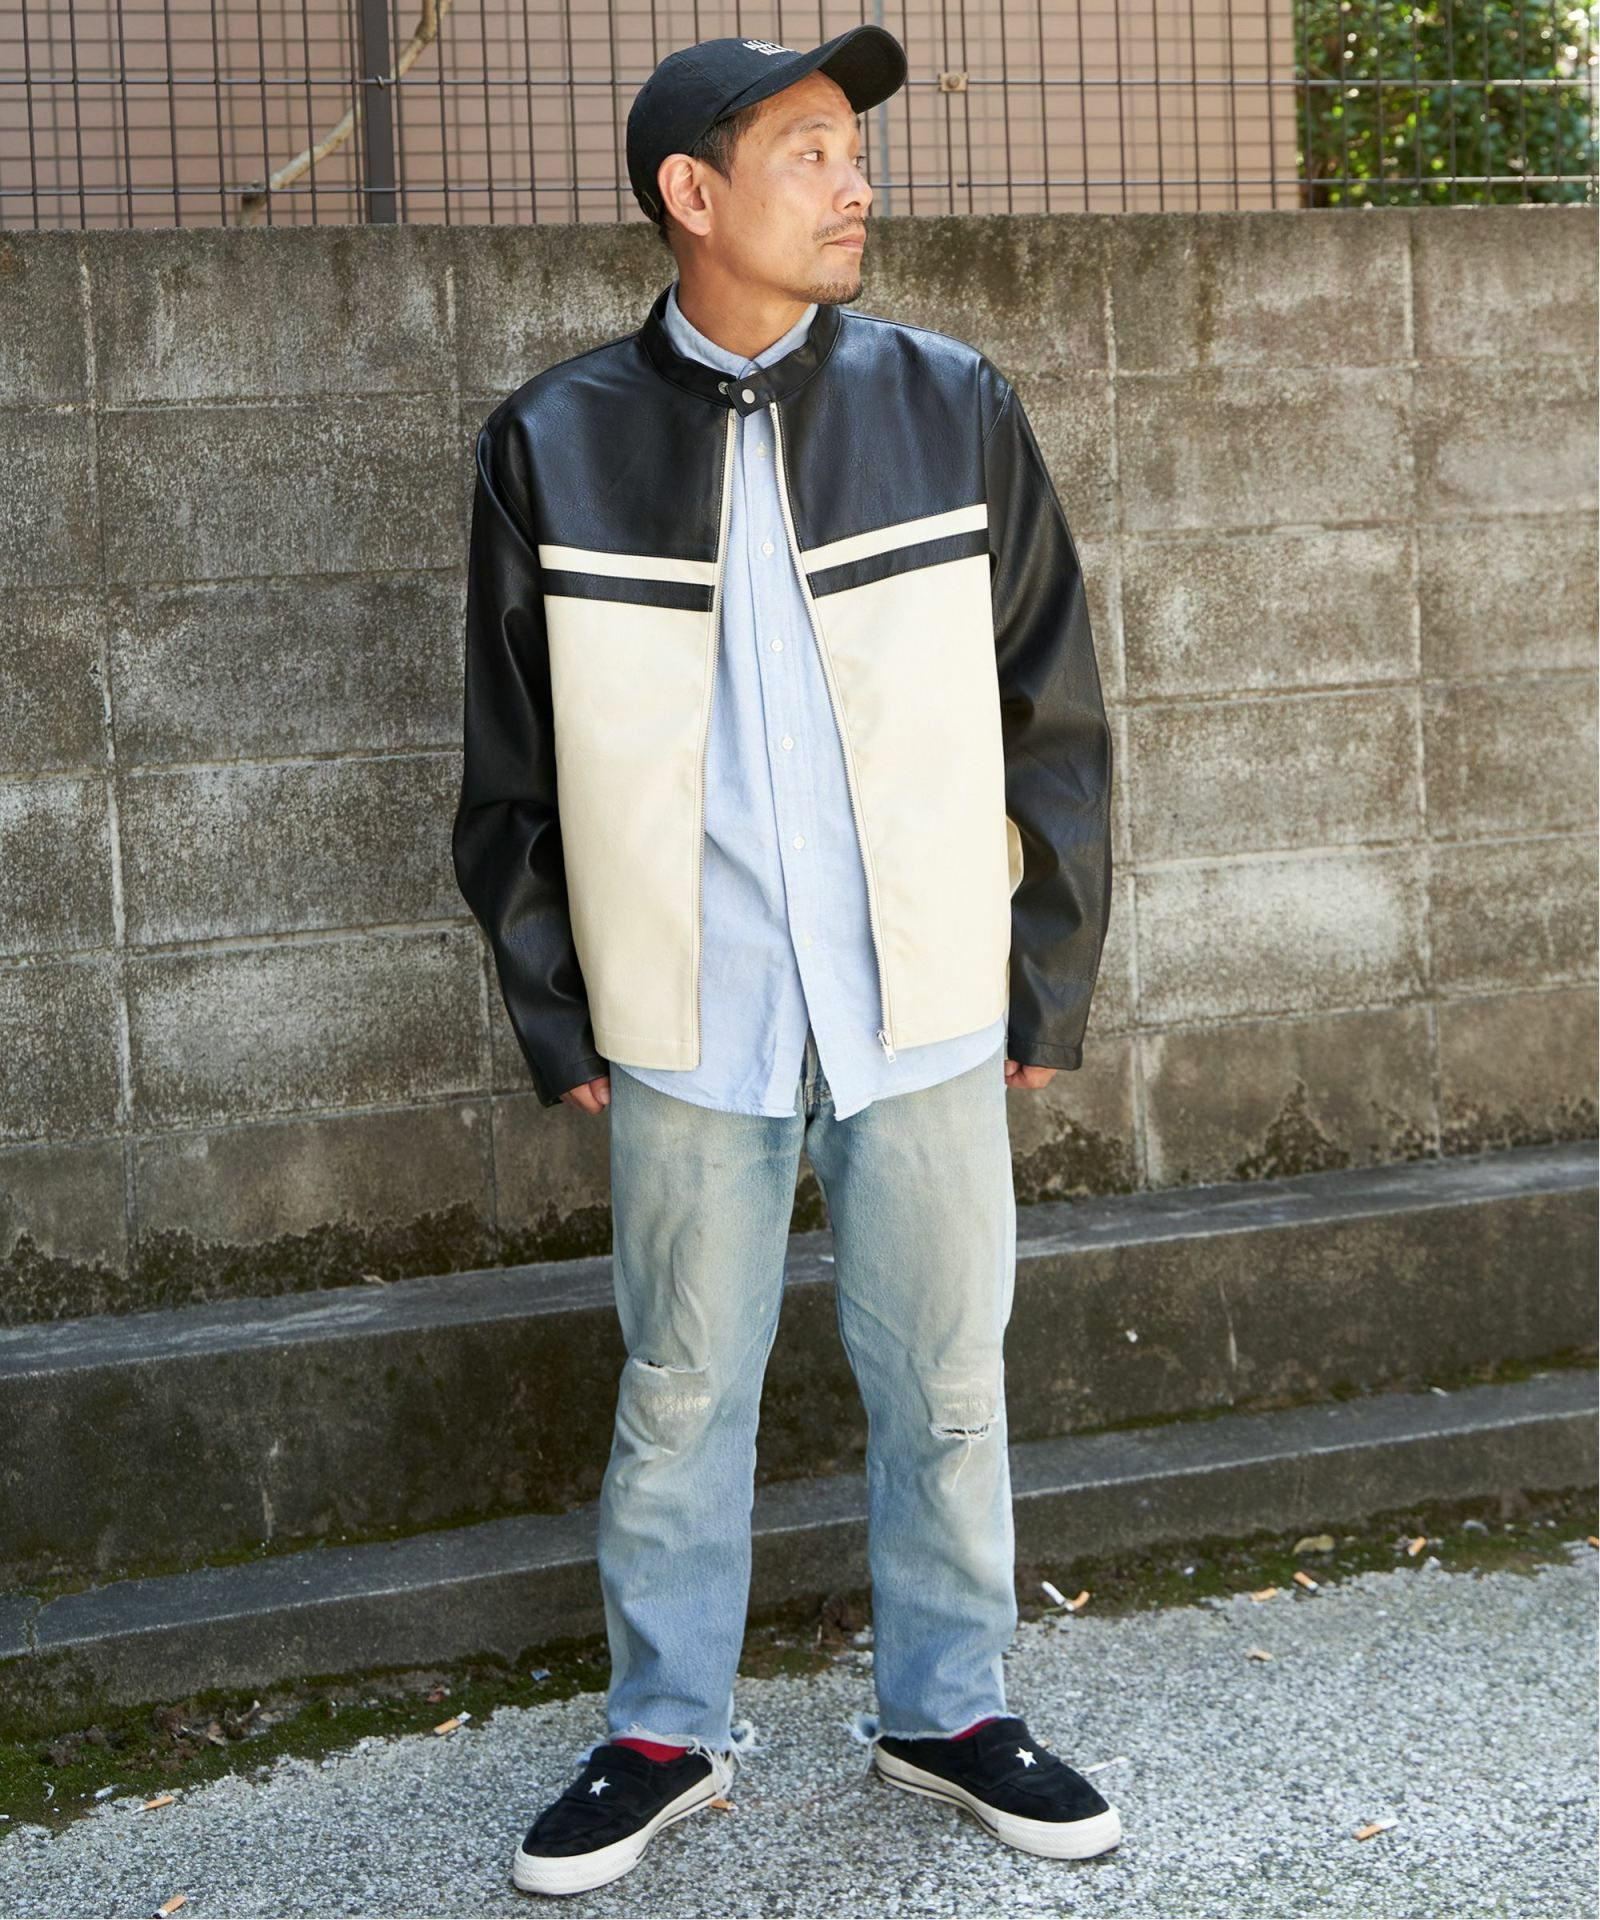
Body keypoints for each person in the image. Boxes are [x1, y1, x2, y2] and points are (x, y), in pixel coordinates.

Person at [451, 25, 1117, 1899]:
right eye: (810, 152)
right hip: (688, 1010)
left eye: (853, 151)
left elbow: (1053, 705)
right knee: (679, 1386)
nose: (855, 184)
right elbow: (509, 767)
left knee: (949, 1378)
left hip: (924, 993)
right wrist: (557, 1006)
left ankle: (950, 1708)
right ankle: (662, 1731)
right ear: (693, 194)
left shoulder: (949, 400)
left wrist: (1044, 972)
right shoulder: (551, 441)